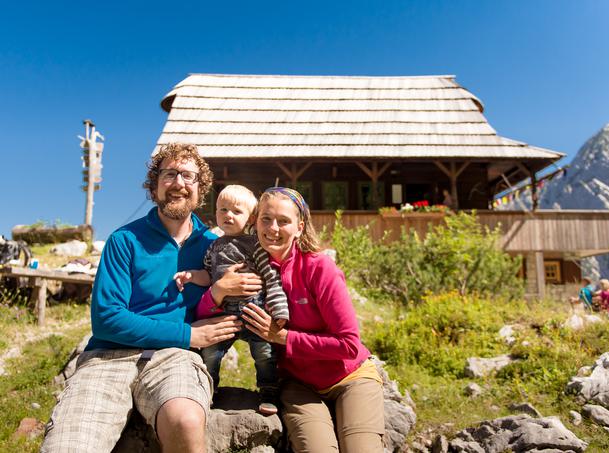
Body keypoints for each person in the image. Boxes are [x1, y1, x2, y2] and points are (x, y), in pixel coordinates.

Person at [41, 143, 262, 453]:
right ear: (154, 184)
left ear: (201, 188)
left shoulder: (216, 247)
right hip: (109, 356)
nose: (179, 183)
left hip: (176, 357)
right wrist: (190, 334)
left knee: (185, 422)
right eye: (169, 174)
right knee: (68, 446)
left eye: (188, 175)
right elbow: (107, 319)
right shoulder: (124, 240)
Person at [203, 187, 385, 452]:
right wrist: (217, 291)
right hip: (298, 384)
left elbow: (349, 345)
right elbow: (206, 312)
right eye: (266, 219)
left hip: (350, 376)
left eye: (284, 221)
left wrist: (282, 337)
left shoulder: (319, 268)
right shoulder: (245, 266)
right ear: (255, 221)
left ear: (300, 227)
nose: (273, 228)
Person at [174, 184, 288, 415]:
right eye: (223, 209)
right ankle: (208, 390)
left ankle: (268, 392)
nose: (228, 215)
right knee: (210, 353)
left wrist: (279, 309)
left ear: (250, 218)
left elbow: (270, 276)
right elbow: (209, 275)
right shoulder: (213, 246)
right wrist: (191, 275)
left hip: (254, 313)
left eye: (236, 212)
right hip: (223, 316)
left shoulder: (255, 244)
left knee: (264, 354)